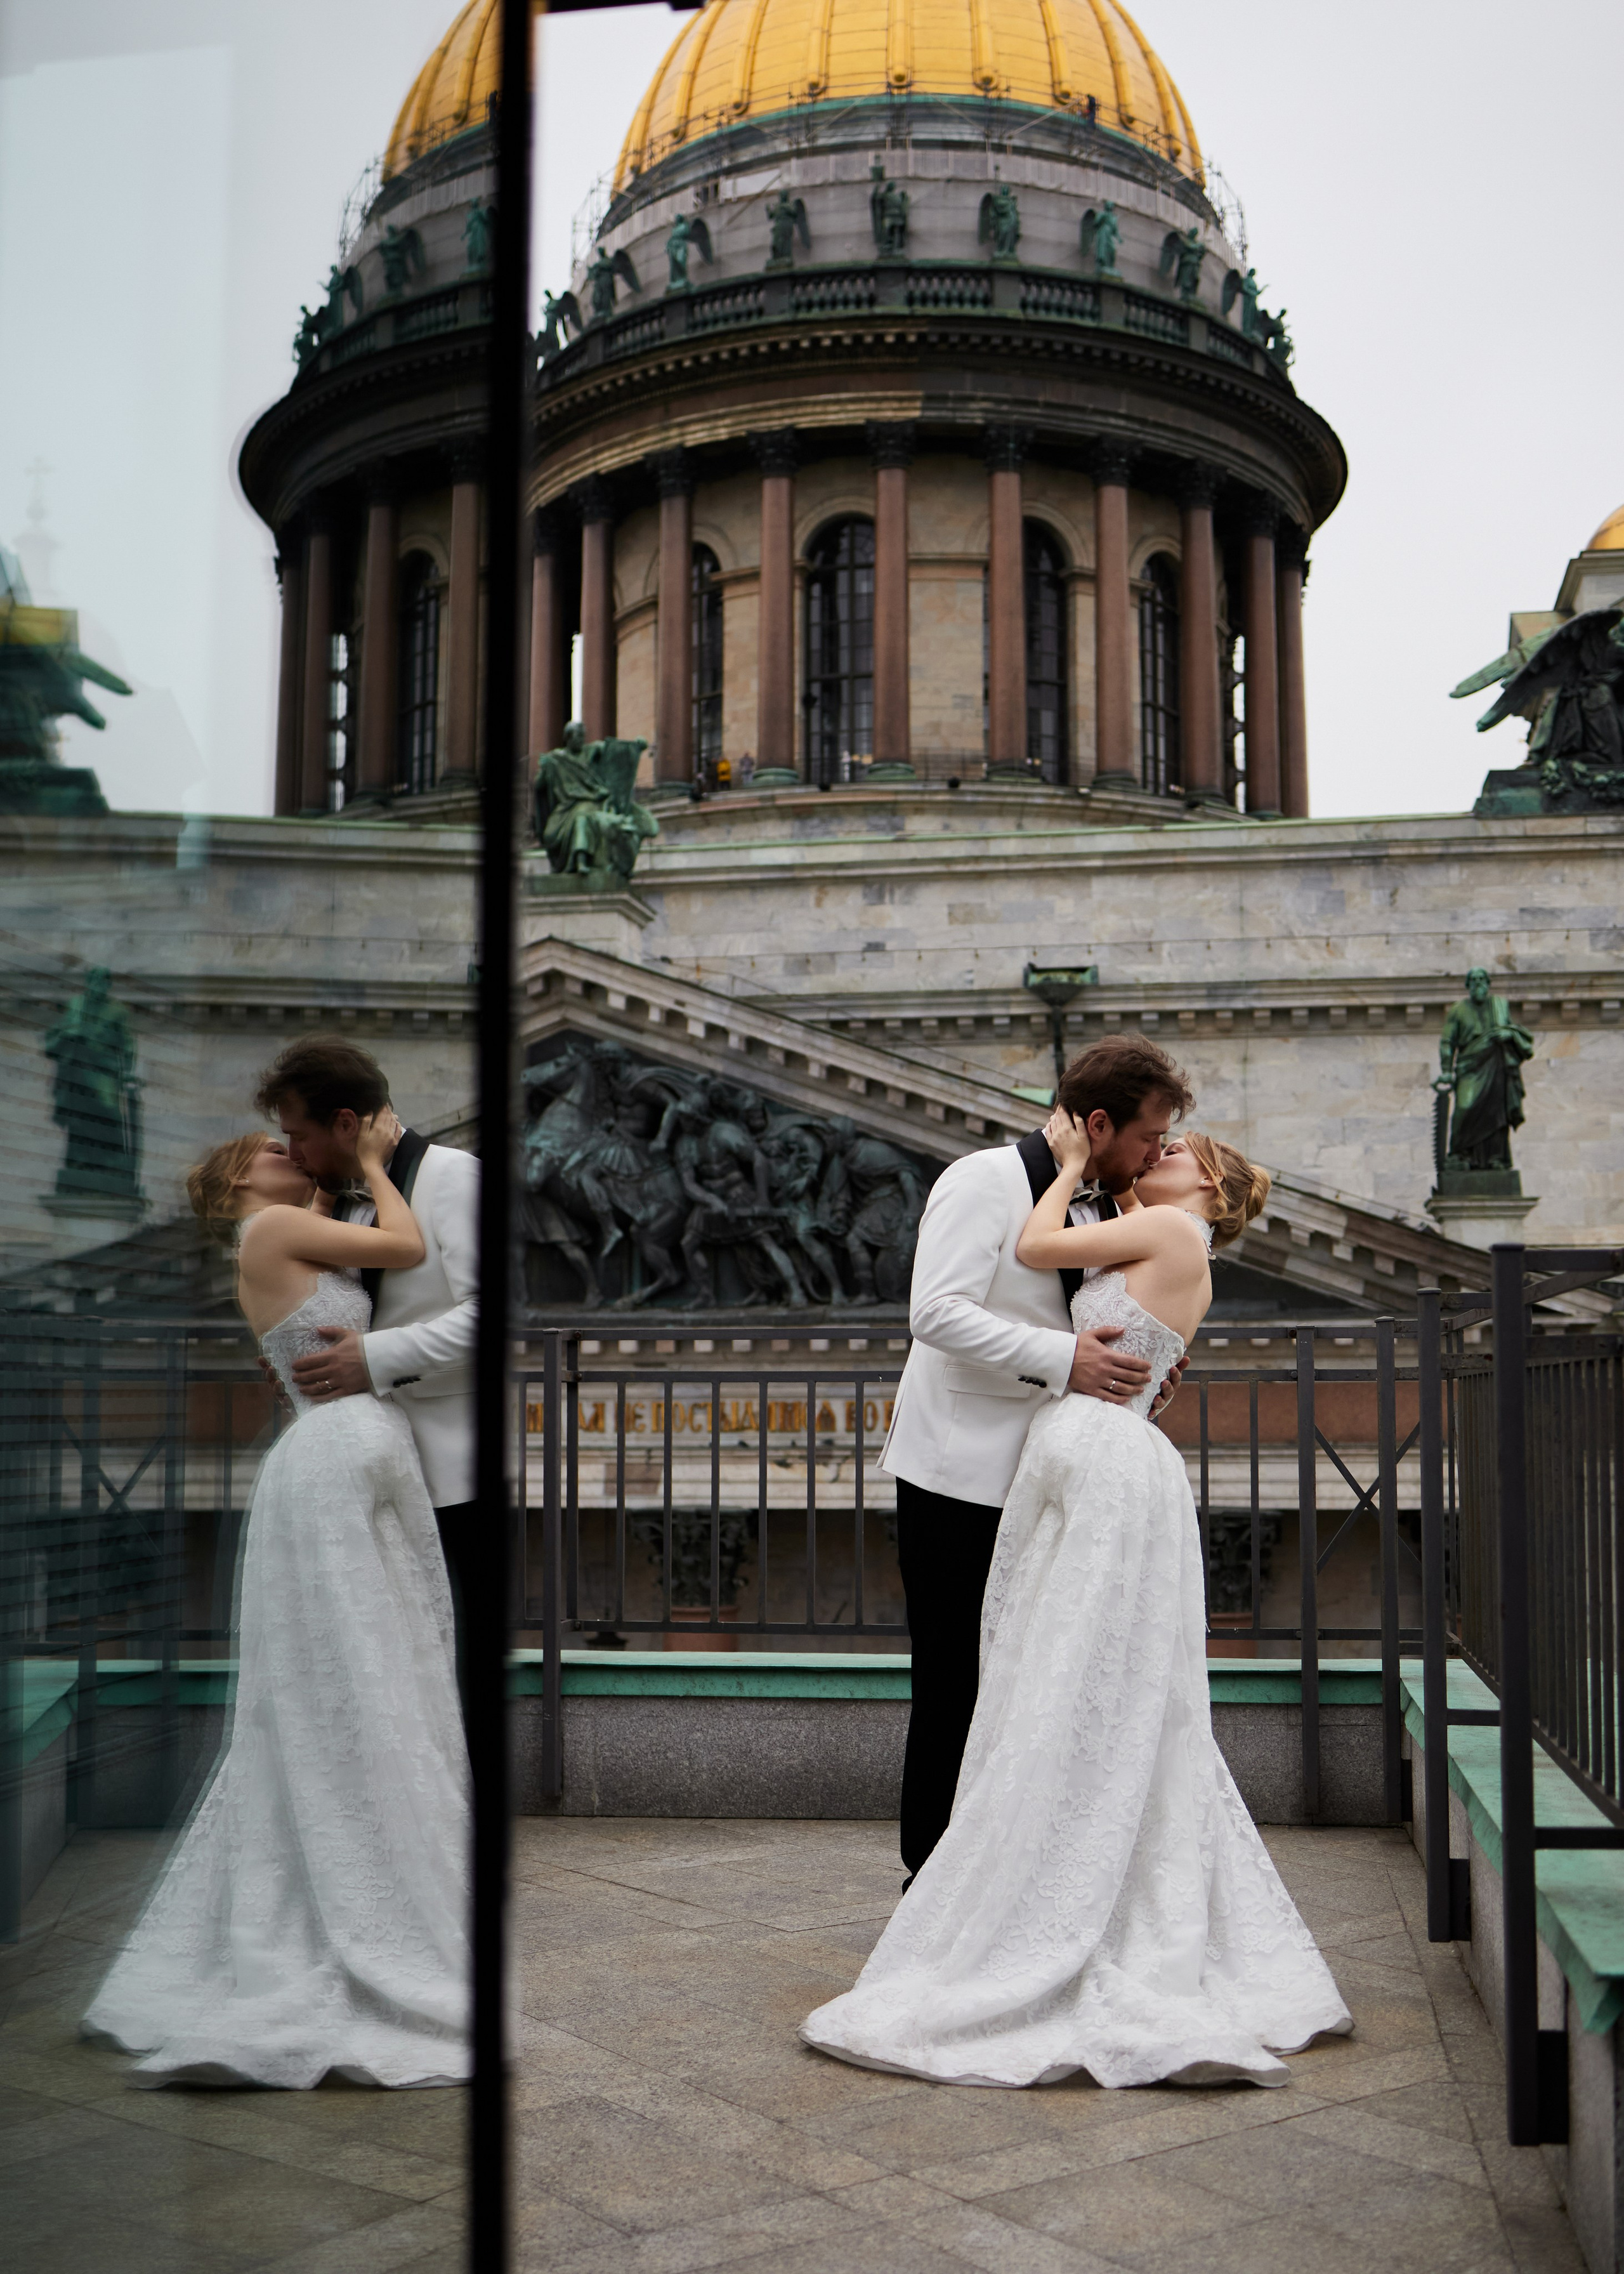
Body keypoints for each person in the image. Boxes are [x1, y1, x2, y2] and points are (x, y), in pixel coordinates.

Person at [802, 1118, 1351, 2089]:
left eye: (1175, 1153)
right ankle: (1009, 1889)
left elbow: (1038, 1250)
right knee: (1041, 1681)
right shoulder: (1137, 1222)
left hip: (1093, 1464)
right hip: (1066, 1461)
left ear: (1213, 1197)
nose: (1156, 1156)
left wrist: (1065, 1171)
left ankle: (1023, 1904)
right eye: (1153, 1141)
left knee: (1061, 1683)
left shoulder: (1169, 1233)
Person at [83, 1120, 469, 2087]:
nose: (283, 1149)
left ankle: (372, 1882)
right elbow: (407, 1245)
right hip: (339, 1459)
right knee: (354, 1680)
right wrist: (381, 1164)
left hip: (357, 1454)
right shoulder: (266, 1233)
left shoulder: (294, 1229)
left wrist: (346, 1177)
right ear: (232, 1181)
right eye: (265, 1146)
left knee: (384, 1674)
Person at [878, 1034, 1192, 1883]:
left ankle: (1006, 1875)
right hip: (957, 1476)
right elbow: (933, 1313)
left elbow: (1106, 1318)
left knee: (1030, 1683)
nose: (1158, 1154)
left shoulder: (1107, 1206)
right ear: (1098, 1122)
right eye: (1149, 1137)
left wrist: (1141, 1370)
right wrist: (1066, 1362)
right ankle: (931, 1876)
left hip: (1052, 1479)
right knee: (954, 1682)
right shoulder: (980, 1182)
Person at [251, 1038, 479, 1692]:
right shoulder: (335, 1197)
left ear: (346, 1123)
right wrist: (306, 1358)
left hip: (448, 1481)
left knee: (446, 1672)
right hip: (368, 1477)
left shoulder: (456, 1176)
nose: (292, 1154)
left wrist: (367, 1360)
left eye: (297, 1136)